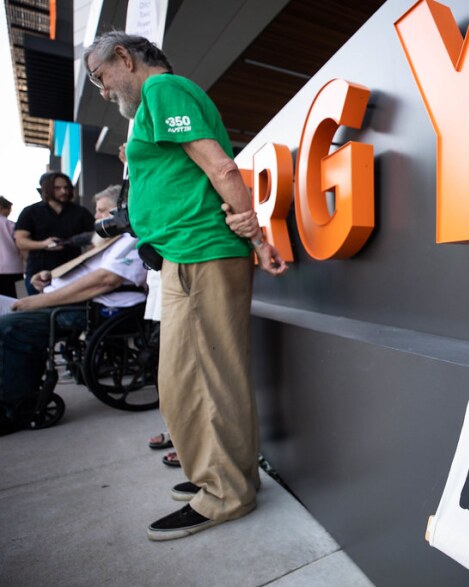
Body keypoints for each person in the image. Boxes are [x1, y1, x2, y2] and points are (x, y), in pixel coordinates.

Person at [84, 31, 287, 541]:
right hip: (186, 255)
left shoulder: (162, 90)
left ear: (124, 58)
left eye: (100, 77)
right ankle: (227, 479)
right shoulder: (158, 100)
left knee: (198, 379)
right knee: (200, 378)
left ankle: (224, 494)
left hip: (200, 252)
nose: (103, 91)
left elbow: (220, 165)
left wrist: (256, 236)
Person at [0, 185, 147, 426]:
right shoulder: (109, 240)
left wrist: (39, 300)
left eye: (102, 211)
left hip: (95, 309)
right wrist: (51, 277)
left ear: (122, 210)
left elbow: (105, 280)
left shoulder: (130, 238)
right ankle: (22, 394)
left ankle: (12, 407)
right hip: (71, 301)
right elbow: (87, 271)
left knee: (9, 327)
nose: (96, 217)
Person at [0, 197, 23, 298]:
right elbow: (21, 245)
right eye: (8, 209)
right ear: (1, 207)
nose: (9, 212)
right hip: (13, 269)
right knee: (12, 299)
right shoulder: (11, 225)